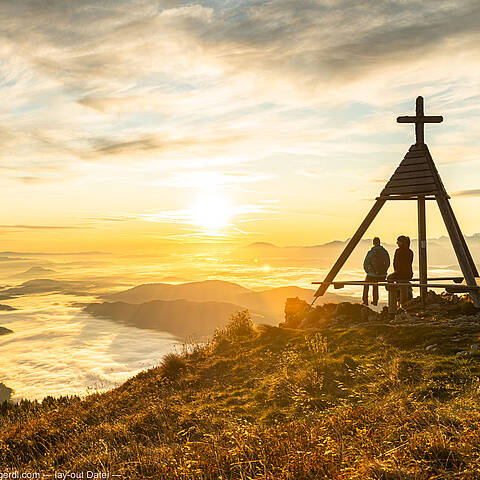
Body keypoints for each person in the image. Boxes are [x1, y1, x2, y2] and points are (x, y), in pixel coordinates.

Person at [362, 237, 390, 306]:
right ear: (379, 243)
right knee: (375, 283)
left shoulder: (371, 252)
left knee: (366, 283)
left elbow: (365, 264)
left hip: (372, 275)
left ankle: (365, 301)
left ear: (373, 243)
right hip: (382, 276)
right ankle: (375, 301)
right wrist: (383, 272)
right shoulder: (385, 252)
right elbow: (388, 263)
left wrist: (368, 272)